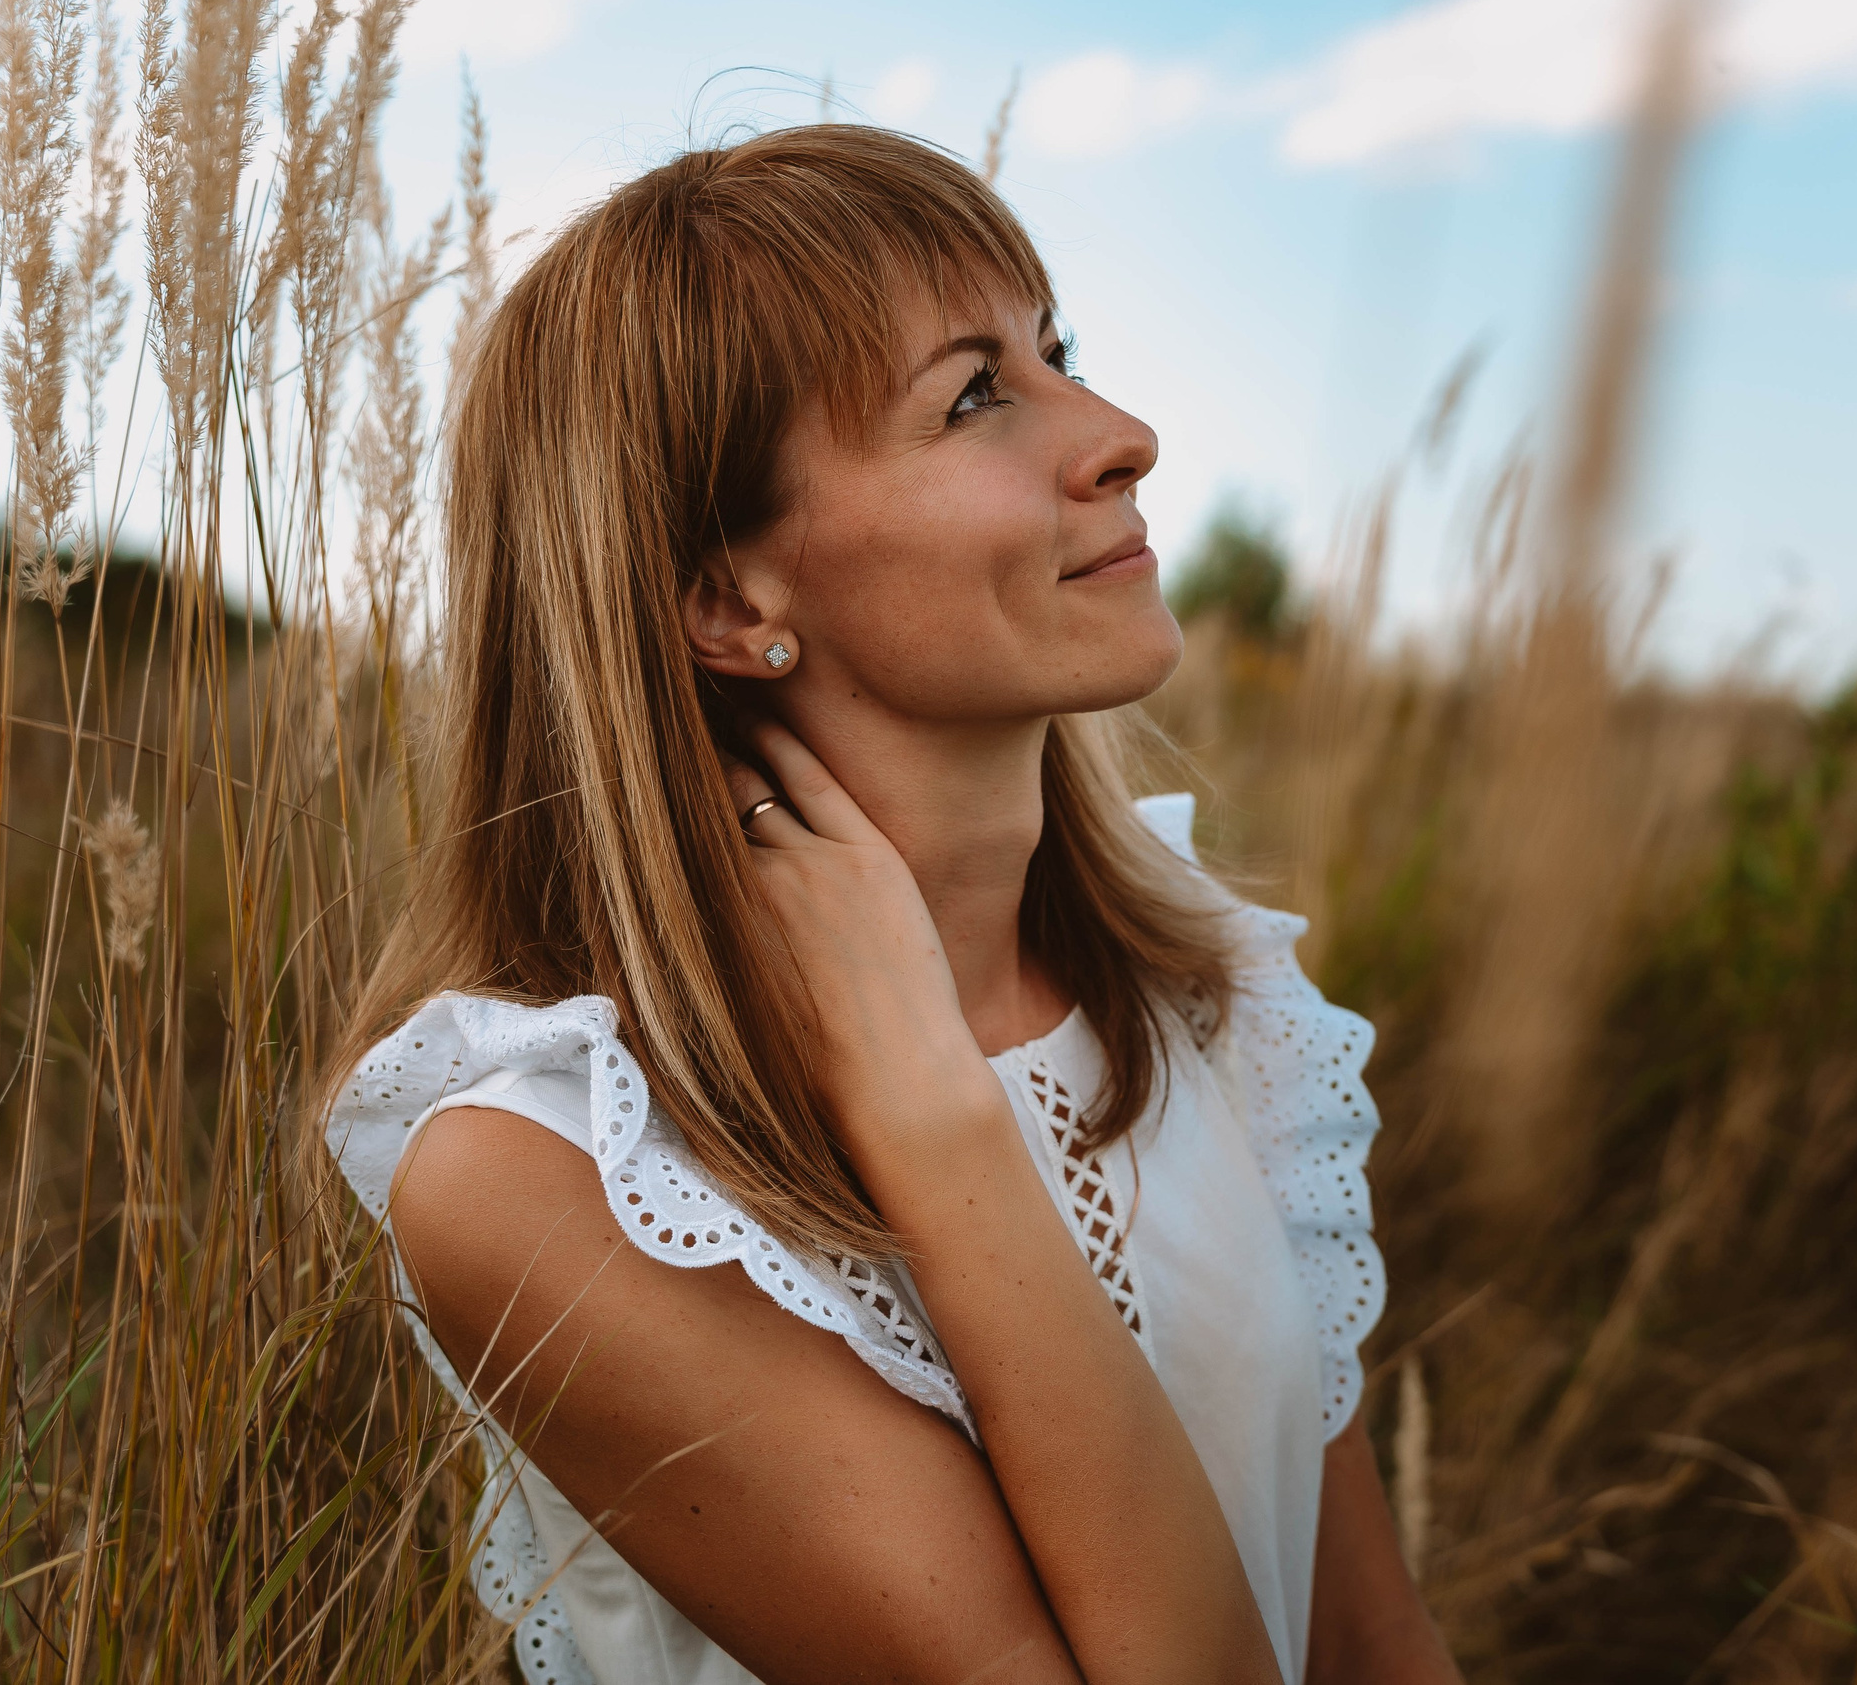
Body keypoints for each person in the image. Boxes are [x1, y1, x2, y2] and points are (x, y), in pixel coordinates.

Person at [319, 123, 1459, 1685]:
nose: (1123, 433)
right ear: (729, 600)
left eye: (1058, 353)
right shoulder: (544, 1174)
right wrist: (933, 1122)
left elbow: (1374, 1647)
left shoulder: (1207, 989)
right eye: (974, 396)